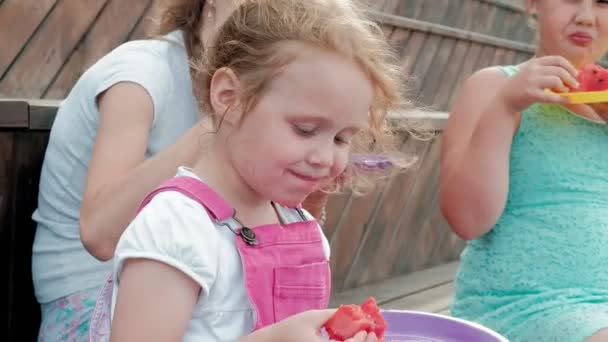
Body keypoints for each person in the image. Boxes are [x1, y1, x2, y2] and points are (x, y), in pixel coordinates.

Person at [87, 0, 410, 340]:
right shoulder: (176, 229)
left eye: (342, 139)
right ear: (229, 97)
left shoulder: (299, 225)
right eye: (305, 129)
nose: (325, 158)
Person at [30, 0, 326, 340]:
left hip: (202, 292)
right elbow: (99, 235)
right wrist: (221, 121)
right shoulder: (140, 74)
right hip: (90, 302)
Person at [440, 0, 608, 341]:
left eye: (602, 3)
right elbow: (467, 220)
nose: (586, 17)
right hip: (523, 306)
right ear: (533, 5)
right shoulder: (493, 87)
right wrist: (505, 106)